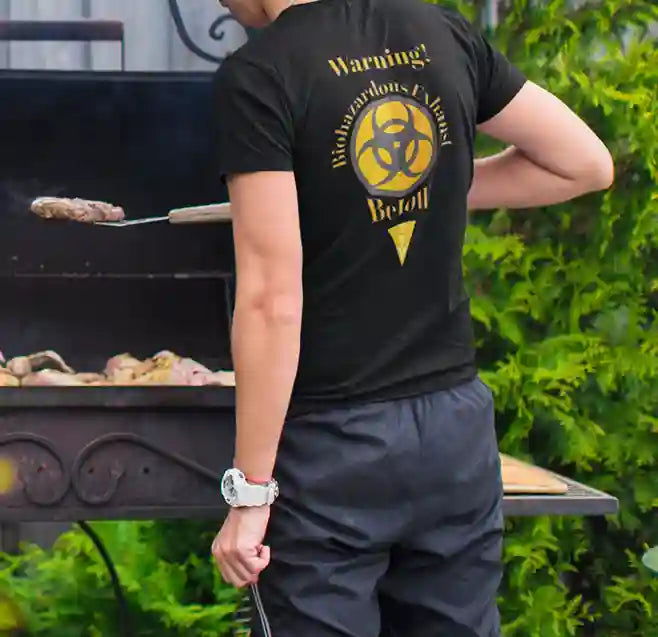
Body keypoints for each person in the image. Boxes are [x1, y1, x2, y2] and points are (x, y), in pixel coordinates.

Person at [210, 0, 614, 633]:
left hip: (331, 453)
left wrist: (252, 494)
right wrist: (421, 181)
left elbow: (270, 303)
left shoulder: (259, 75)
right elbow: (585, 163)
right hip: (454, 436)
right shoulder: (441, 30)